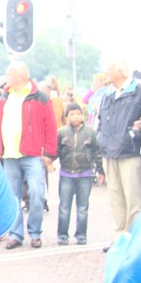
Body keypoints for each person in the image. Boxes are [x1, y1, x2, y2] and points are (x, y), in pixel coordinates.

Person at [0, 61, 57, 249]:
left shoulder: (40, 98)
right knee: (12, 198)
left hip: (32, 154)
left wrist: (50, 152)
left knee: (37, 194)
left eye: (9, 74)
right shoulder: (4, 99)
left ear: (19, 76)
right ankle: (16, 234)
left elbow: (50, 127)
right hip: (9, 155)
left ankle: (35, 232)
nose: (6, 78)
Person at [96, 60, 141, 251]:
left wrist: (132, 135)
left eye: (109, 69)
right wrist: (101, 139)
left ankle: (135, 238)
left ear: (120, 71)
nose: (106, 73)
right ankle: (120, 237)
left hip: (129, 151)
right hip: (109, 151)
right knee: (116, 198)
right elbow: (100, 121)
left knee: (133, 198)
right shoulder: (108, 95)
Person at [55, 103, 104, 246]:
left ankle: (81, 234)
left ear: (82, 115)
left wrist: (101, 170)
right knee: (64, 206)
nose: (75, 117)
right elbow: (55, 151)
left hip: (85, 174)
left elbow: (97, 152)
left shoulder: (90, 132)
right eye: (71, 114)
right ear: (67, 116)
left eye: (77, 113)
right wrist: (48, 160)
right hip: (66, 173)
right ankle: (62, 234)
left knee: (82, 207)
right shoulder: (61, 132)